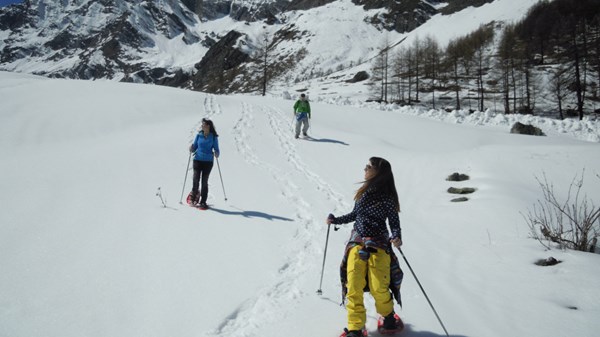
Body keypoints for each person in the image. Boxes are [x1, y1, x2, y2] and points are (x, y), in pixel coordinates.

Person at [326, 157, 404, 337]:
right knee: (353, 285)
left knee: (379, 286)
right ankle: (355, 328)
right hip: (357, 243)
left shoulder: (388, 198)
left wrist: (397, 236)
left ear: (379, 173)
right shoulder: (362, 193)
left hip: (379, 243)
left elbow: (394, 222)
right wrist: (336, 220)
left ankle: (388, 316)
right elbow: (355, 215)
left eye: (368, 167)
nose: (365, 169)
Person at [188, 118, 220, 209]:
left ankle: (203, 201)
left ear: (208, 126)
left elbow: (217, 149)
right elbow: (194, 147)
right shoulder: (199, 135)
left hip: (208, 162)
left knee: (204, 181)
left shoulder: (213, 137)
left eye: (203, 125)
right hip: (197, 160)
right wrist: (191, 148)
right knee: (195, 178)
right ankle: (193, 196)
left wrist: (217, 153)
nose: (202, 126)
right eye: (202, 125)